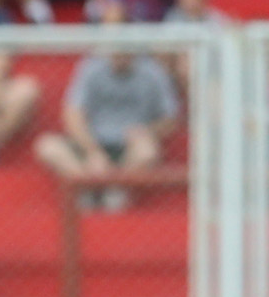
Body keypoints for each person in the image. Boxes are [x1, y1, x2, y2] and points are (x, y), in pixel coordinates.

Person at [35, 24, 181, 204]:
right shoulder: (91, 68)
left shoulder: (153, 73)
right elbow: (72, 114)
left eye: (125, 52)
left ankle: (116, 192)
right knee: (47, 146)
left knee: (147, 151)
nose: (119, 57)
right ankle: (85, 187)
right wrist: (93, 151)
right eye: (115, 52)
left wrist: (147, 131)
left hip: (128, 148)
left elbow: (171, 120)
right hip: (92, 144)